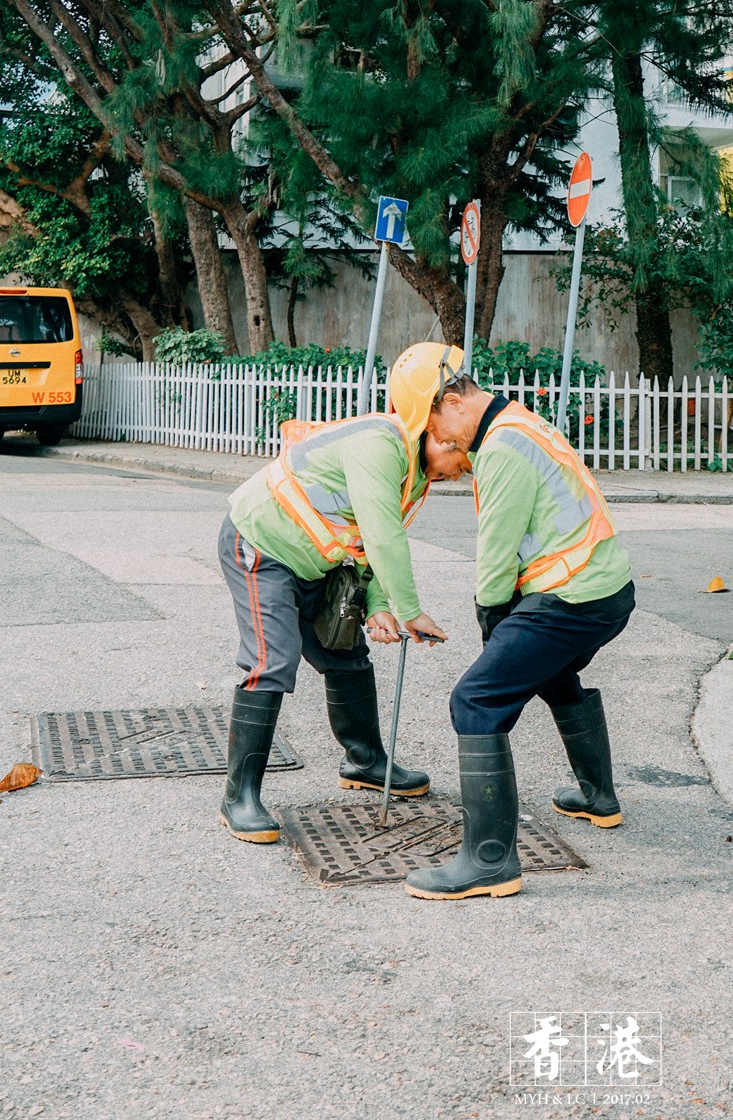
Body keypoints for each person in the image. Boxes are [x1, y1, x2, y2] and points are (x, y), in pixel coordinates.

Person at [384, 342, 635, 900]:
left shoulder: (501, 447)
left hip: (571, 594)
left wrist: (492, 621)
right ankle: (599, 799)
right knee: (551, 673)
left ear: (451, 399)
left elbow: (494, 556)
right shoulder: (521, 420)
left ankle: (489, 860)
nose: (437, 439)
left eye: (430, 422)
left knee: (475, 699)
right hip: (604, 588)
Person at [214, 356, 466, 844]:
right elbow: (384, 534)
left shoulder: (415, 473)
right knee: (273, 659)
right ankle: (238, 797)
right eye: (455, 451)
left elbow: (368, 545)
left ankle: (364, 761)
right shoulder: (381, 446)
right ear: (429, 429)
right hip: (262, 544)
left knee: (345, 652)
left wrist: (376, 607)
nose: (459, 467)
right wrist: (410, 610)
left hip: (315, 562)